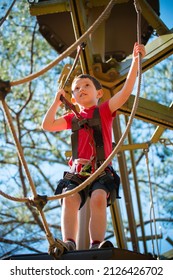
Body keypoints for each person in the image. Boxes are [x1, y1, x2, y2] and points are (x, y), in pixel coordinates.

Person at [42, 42, 146, 252]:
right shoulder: (72, 117)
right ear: (72, 99)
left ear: (99, 94)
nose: (81, 90)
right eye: (77, 89)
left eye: (86, 86)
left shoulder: (104, 111)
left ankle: (97, 243)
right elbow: (47, 125)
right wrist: (56, 102)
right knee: (69, 199)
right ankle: (69, 241)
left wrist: (136, 61)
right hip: (78, 171)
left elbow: (125, 93)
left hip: (100, 169)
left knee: (99, 199)